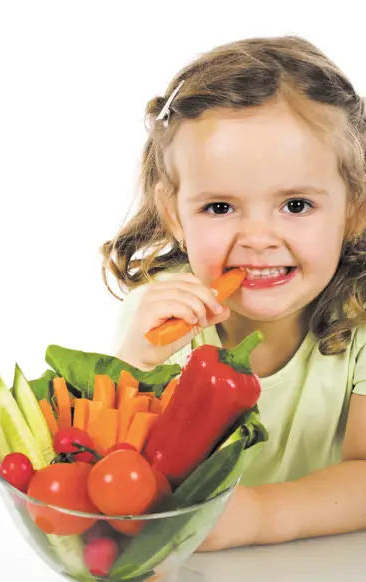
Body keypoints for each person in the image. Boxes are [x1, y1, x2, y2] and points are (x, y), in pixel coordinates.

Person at [101, 35, 366, 550]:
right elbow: (110, 477)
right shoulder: (159, 319)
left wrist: (258, 516)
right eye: (220, 208)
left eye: (295, 205)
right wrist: (137, 364)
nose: (259, 239)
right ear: (175, 214)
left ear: (354, 207)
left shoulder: (362, 321)